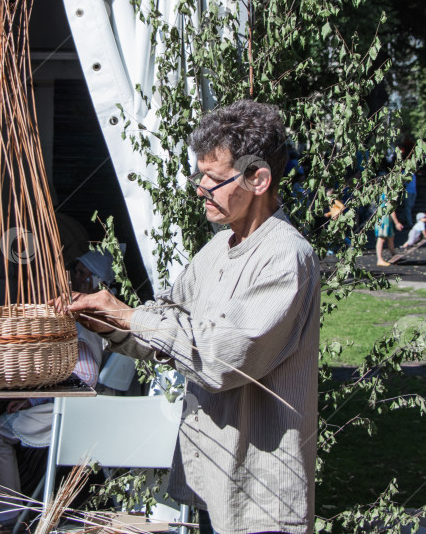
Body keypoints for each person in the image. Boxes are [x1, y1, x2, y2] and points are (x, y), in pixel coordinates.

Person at [65, 100, 321, 534]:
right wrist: (112, 325)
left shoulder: (285, 256)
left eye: (214, 179)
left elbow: (222, 358)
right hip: (214, 480)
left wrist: (129, 316)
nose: (200, 188)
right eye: (199, 174)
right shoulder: (217, 248)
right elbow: (171, 324)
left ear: (258, 179)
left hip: (262, 495)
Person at [0, 252, 113, 531]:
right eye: (78, 272)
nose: (78, 279)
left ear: (98, 283)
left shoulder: (89, 318)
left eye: (85, 275)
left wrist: (34, 398)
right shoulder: (89, 313)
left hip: (79, 410)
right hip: (84, 405)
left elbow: (85, 377)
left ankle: (10, 518)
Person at [374, 192, 404, 266]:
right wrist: (397, 223)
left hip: (384, 216)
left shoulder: (383, 192)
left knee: (391, 237)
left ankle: (394, 255)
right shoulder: (388, 193)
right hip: (384, 218)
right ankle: (379, 259)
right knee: (381, 238)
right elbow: (390, 209)